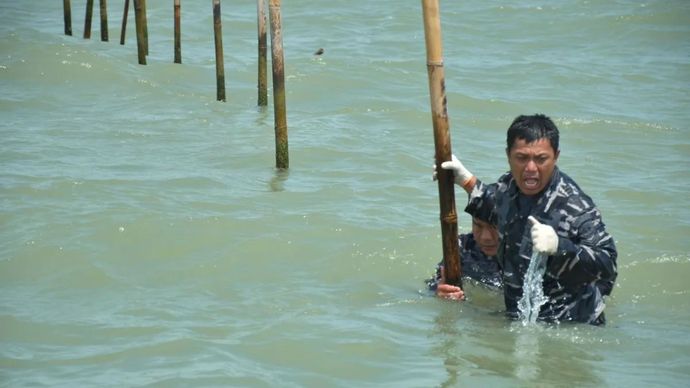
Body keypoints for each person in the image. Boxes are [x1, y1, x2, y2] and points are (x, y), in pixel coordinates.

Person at [442, 114, 617, 324]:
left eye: (541, 159)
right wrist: (464, 179)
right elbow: (495, 205)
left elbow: (608, 265)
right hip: (520, 318)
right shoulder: (508, 186)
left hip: (572, 324)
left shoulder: (575, 206)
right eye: (522, 158)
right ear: (508, 156)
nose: (531, 169)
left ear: (556, 156)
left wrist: (560, 246)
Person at [427, 205, 503, 300]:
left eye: (495, 226)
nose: (485, 237)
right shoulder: (462, 248)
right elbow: (432, 285)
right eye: (478, 225)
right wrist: (441, 292)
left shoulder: (525, 253)